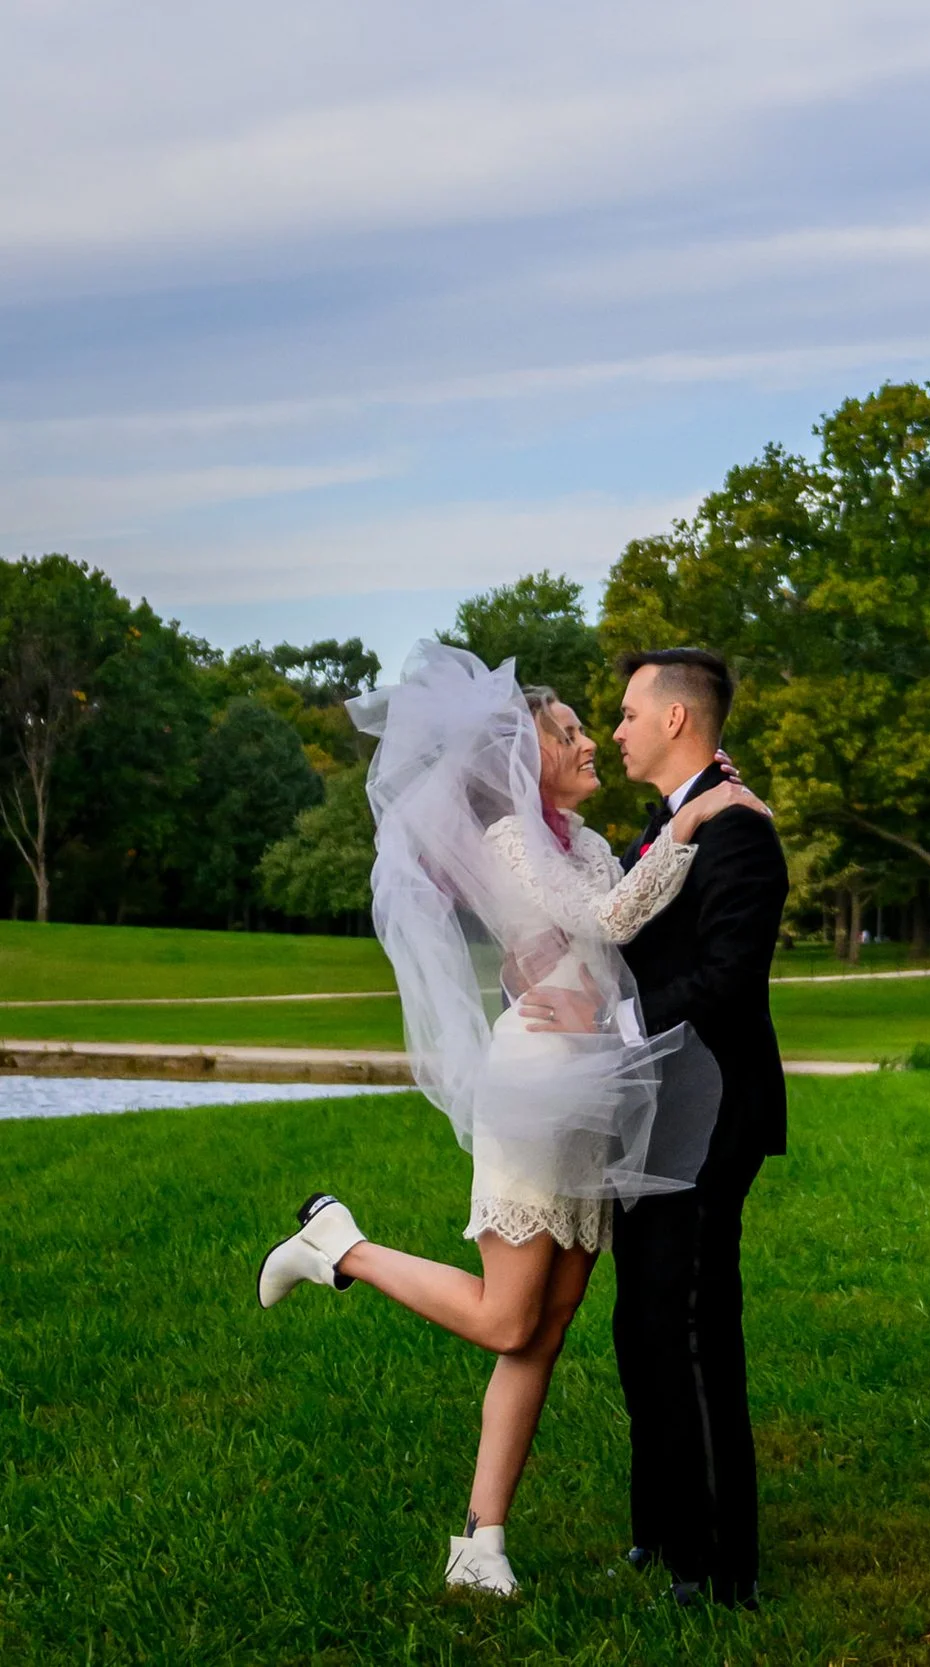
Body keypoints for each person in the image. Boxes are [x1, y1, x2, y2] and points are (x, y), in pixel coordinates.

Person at [254, 643, 767, 1598]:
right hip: (539, 1084)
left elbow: (620, 914)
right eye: (569, 729)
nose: (590, 740)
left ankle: (481, 1542)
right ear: (519, 757)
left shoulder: (578, 838)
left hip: (595, 1089)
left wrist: (682, 825)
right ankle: (340, 1244)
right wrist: (698, 811)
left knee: (546, 1325)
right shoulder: (514, 840)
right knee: (505, 1317)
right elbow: (611, 920)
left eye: (593, 722)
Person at [593, 646, 789, 1610]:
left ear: (677, 719)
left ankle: (724, 1566)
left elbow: (726, 980)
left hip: (712, 1114)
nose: (617, 727)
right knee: (641, 1322)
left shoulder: (742, 833)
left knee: (699, 1329)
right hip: (649, 1111)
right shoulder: (667, 824)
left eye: (629, 712)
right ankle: (662, 1524)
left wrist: (608, 1027)